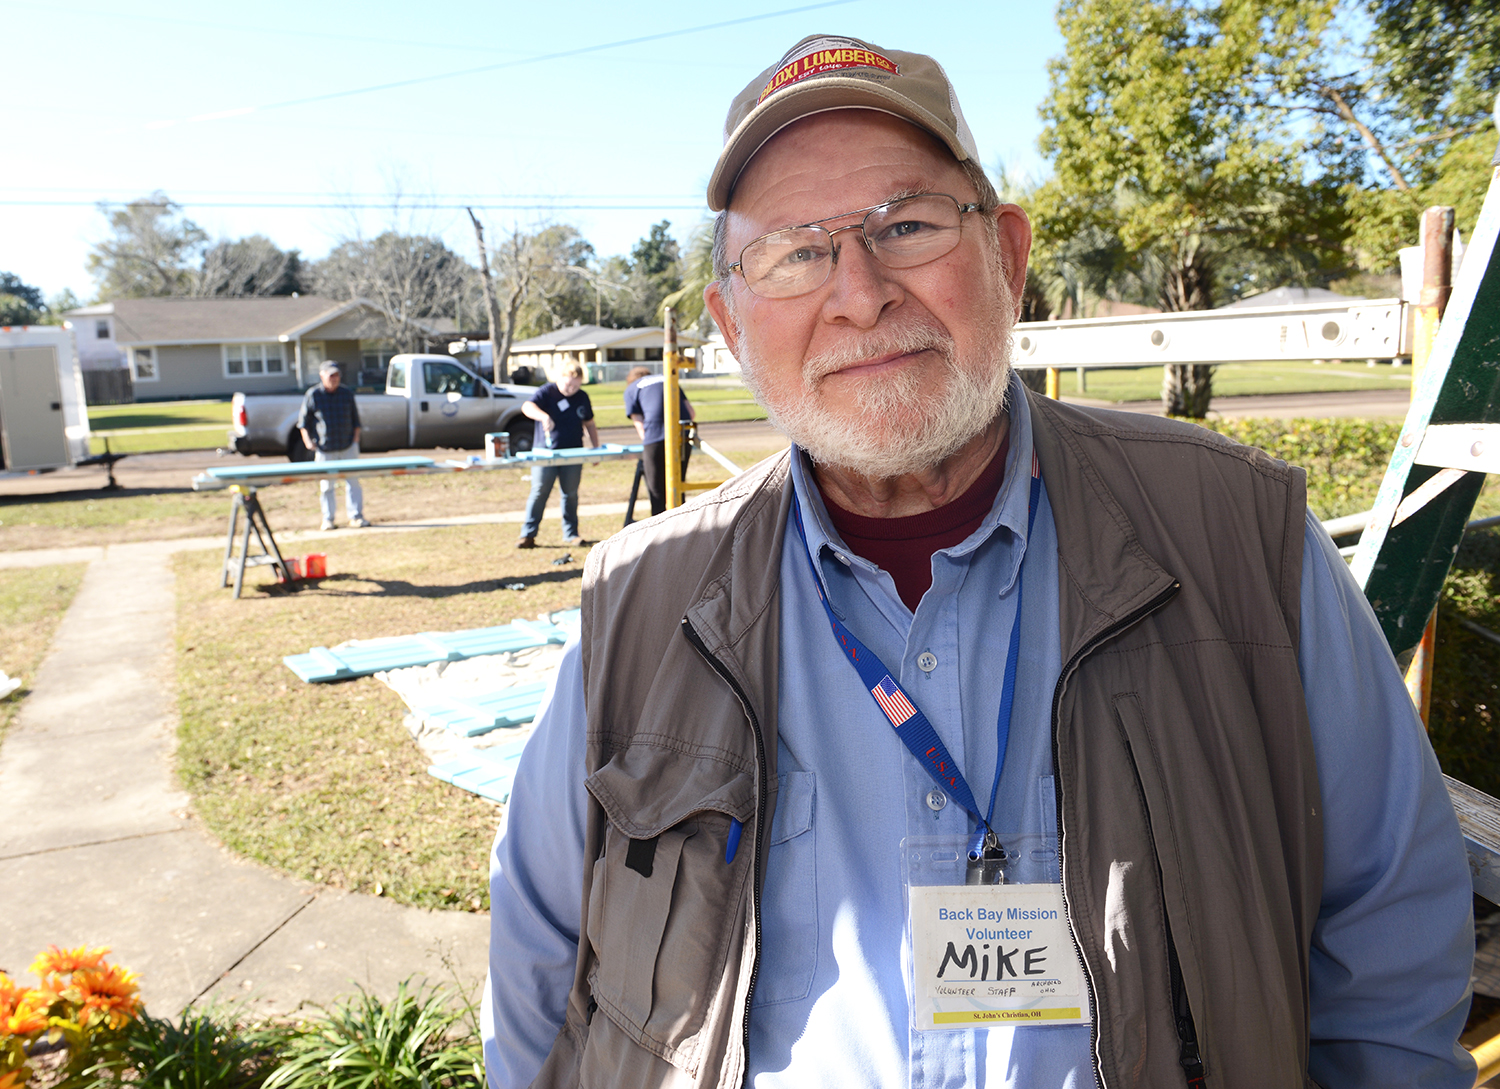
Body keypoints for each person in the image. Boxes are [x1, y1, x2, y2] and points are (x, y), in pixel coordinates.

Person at [483, 34, 1476, 1089]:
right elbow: (540, 968)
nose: (860, 294)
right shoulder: (640, 598)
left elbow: (1390, 934)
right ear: (732, 324)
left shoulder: (1240, 537)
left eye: (905, 226)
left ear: (1005, 254)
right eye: (794, 253)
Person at [517, 360, 600, 548]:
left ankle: (571, 534)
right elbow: (527, 407)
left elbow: (589, 423)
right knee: (539, 491)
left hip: (573, 453)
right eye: (568, 384)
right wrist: (543, 416)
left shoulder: (582, 397)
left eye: (576, 385)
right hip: (545, 454)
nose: (571, 389)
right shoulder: (546, 392)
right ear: (560, 378)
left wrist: (596, 448)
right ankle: (527, 535)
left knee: (570, 494)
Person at [298, 359, 368, 531]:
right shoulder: (313, 395)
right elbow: (303, 423)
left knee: (353, 483)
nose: (334, 378)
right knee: (326, 485)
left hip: (347, 446)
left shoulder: (346, 393)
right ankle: (328, 519)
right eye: (331, 375)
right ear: (322, 376)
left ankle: (356, 517)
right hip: (325, 449)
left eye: (336, 375)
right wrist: (308, 441)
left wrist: (355, 440)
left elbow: (356, 420)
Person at [623, 363, 696, 517]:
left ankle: (660, 529)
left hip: (655, 436)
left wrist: (648, 442)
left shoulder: (632, 388)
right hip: (682, 433)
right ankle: (682, 524)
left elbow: (638, 421)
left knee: (656, 489)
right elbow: (691, 412)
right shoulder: (668, 379)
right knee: (678, 484)